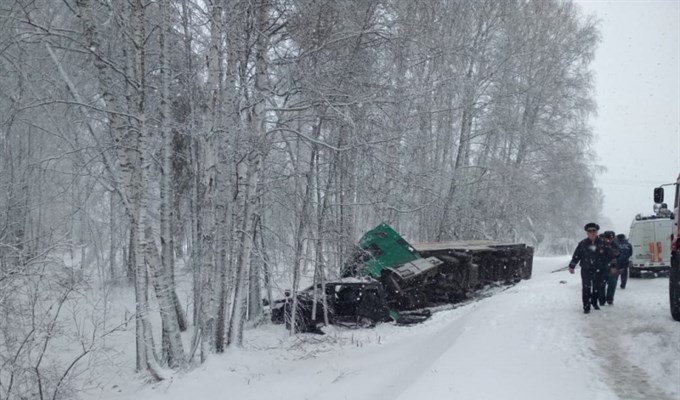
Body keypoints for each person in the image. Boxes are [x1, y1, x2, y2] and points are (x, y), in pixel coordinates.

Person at [568, 223, 617, 314]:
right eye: (590, 231)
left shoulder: (603, 243)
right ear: (587, 233)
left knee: (597, 287)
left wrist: (613, 266)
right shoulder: (582, 244)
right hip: (586, 269)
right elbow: (576, 256)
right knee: (586, 288)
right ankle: (586, 306)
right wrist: (572, 266)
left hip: (599, 269)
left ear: (597, 232)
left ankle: (594, 302)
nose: (592, 233)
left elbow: (611, 255)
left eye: (594, 231)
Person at [598, 231, 621, 306]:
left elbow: (617, 256)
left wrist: (615, 266)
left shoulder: (615, 245)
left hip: (612, 268)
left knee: (612, 283)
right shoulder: (600, 245)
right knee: (601, 284)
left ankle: (610, 299)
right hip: (601, 268)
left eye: (611, 238)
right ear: (604, 238)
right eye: (607, 238)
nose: (609, 240)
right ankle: (601, 300)